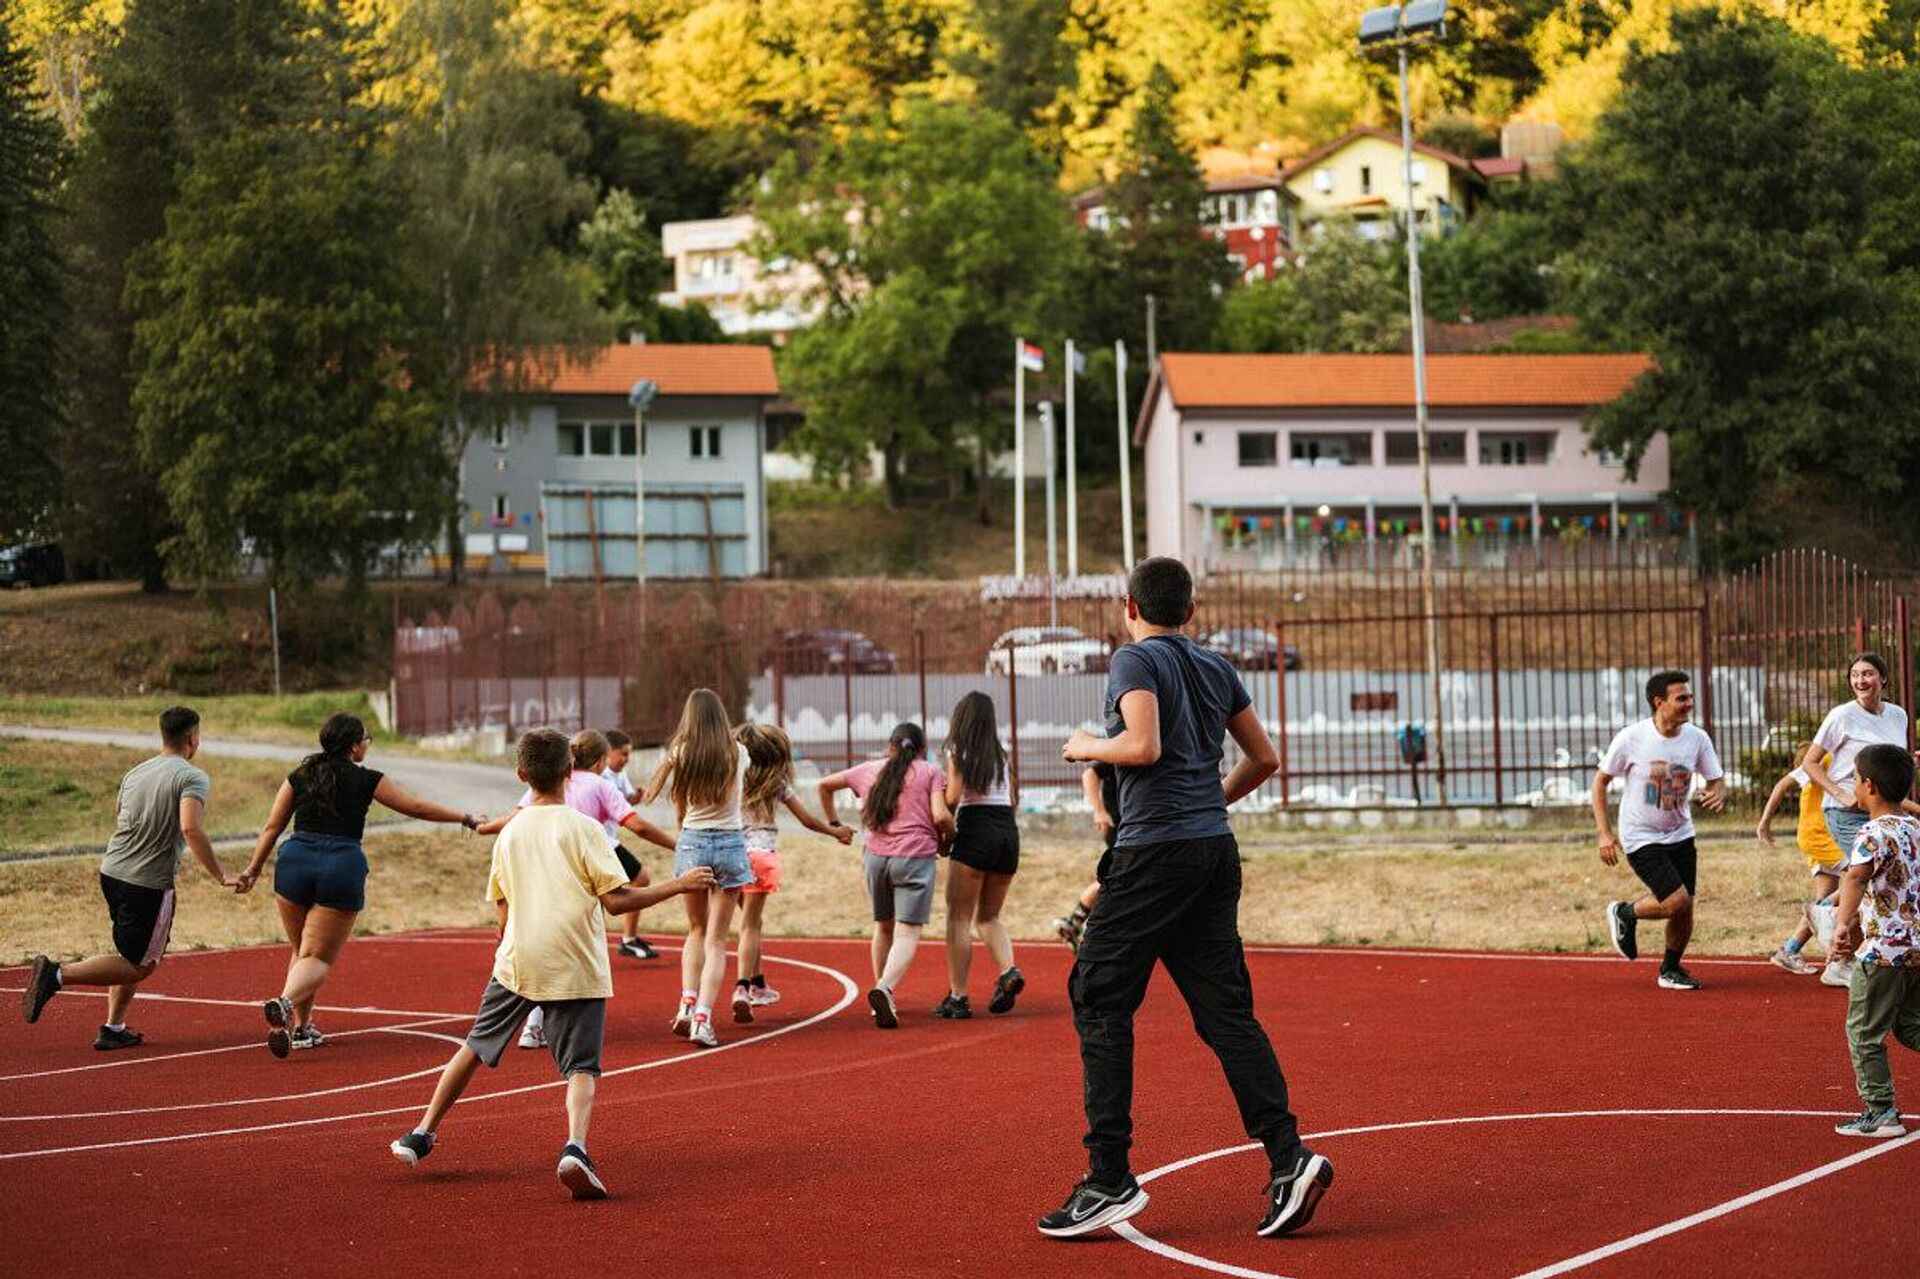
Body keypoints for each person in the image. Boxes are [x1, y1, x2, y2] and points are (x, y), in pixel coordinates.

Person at [1040, 557, 1329, 1243]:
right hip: (1210, 850)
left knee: (1098, 992)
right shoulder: (1214, 665)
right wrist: (1205, 801)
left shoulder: (1132, 661)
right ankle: (1289, 1156)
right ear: (1191, 612)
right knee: (1226, 1012)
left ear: (1129, 605)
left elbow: (1141, 744)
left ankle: (1108, 1174)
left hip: (1155, 854)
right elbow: (1264, 757)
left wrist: (1085, 746)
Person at [388, 728, 715, 1196]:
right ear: (570, 771)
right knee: (582, 1066)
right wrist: (679, 885)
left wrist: (509, 931)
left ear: (522, 775)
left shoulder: (510, 831)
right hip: (575, 959)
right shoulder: (583, 828)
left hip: (519, 958)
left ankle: (421, 1132)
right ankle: (574, 1146)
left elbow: (500, 901)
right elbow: (619, 901)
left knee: (475, 1046)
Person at [242, 713, 482, 1057]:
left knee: (302, 951)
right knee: (317, 958)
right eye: (366, 739)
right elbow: (414, 807)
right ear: (354, 746)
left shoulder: (300, 774)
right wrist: (465, 818)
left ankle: (301, 1028)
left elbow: (271, 827)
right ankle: (284, 1003)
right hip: (340, 864)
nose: (368, 744)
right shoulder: (367, 779)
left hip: (294, 863)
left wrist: (252, 870)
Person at [21, 707, 246, 1048]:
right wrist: (219, 874)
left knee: (127, 954)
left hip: (112, 871)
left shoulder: (135, 773)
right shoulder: (192, 776)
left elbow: (121, 816)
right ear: (192, 739)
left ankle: (113, 1028)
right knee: (140, 965)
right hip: (148, 882)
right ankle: (55, 974)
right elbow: (190, 826)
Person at [476, 730, 675, 1050]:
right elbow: (635, 826)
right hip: (588, 852)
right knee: (591, 919)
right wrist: (677, 850)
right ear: (597, 762)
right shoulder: (599, 787)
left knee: (539, 943)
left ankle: (533, 1024)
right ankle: (627, 939)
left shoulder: (526, 811)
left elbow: (514, 817)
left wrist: (484, 827)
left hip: (549, 859)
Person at [1595, 670, 1728, 991]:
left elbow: (1716, 778)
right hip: (1641, 836)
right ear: (1660, 702)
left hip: (1681, 833)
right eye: (1681, 698)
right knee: (1676, 901)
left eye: (1689, 697)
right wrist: (1605, 833)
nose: (1689, 704)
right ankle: (1625, 912)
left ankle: (1670, 969)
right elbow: (1600, 782)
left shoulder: (1697, 738)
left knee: (1686, 907)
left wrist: (1718, 791)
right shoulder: (1632, 738)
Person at [1798, 653, 1920, 989]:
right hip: (1846, 811)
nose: (1860, 681)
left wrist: (1910, 763)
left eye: (1867, 674)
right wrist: (1840, 794)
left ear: (1883, 678)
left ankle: (1831, 934)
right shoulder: (1841, 716)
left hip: (1884, 808)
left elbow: (1889, 761)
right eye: (1854, 675)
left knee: (1884, 874)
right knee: (1862, 873)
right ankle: (1829, 926)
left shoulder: (1897, 715)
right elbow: (1811, 763)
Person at [818, 722, 951, 1030]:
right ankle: (884, 988)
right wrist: (948, 839)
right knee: (907, 932)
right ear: (921, 749)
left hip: (875, 857)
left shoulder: (869, 769)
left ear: (890, 746)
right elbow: (942, 815)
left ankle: (882, 1000)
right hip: (915, 857)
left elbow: (823, 785)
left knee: (883, 926)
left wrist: (835, 824)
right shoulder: (930, 772)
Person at [646, 689, 754, 1049]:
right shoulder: (738, 753)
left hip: (692, 839)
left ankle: (686, 1003)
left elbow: (678, 809)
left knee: (694, 929)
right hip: (729, 842)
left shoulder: (679, 754)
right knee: (718, 940)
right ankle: (704, 1019)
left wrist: (685, 839)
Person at [1827, 743, 1920, 1138]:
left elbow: (1856, 876)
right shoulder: (1914, 828)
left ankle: (1880, 1111)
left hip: (1882, 950)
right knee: (1909, 1024)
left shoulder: (1870, 831)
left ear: (1869, 785)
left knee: (1864, 1032)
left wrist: (1842, 925)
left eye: (1854, 779)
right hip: (1915, 947)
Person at [731, 723, 852, 1022]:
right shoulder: (777, 785)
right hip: (761, 856)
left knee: (751, 922)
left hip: (731, 856)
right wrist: (835, 832)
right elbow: (808, 820)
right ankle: (742, 987)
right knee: (750, 926)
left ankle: (757, 983)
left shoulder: (732, 780)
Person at [935, 692, 1024, 1020]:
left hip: (976, 827)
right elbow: (1014, 797)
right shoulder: (1002, 755)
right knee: (988, 917)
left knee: (958, 916)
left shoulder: (958, 750)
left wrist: (944, 832)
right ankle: (1008, 970)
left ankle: (958, 997)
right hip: (1007, 831)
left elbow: (954, 797)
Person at [1756, 751, 1846, 977]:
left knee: (1826, 895)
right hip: (1819, 836)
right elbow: (1782, 785)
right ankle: (1823, 914)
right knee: (1866, 875)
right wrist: (1765, 822)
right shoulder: (1824, 761)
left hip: (1825, 835)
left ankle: (1789, 950)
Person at [602, 730, 661, 961]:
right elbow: (617, 810)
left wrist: (635, 797)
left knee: (639, 879)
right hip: (603, 842)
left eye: (629, 754)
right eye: (622, 754)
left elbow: (623, 802)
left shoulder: (619, 774)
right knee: (641, 878)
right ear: (608, 753)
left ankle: (629, 937)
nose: (626, 759)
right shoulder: (602, 777)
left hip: (609, 840)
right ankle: (627, 939)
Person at [1051, 764, 1113, 953]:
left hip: (1134, 825)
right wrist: (1099, 811)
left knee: (1115, 877)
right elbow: (1089, 774)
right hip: (1120, 824)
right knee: (1117, 878)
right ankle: (1090, 933)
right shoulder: (1122, 744)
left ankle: (1075, 922)